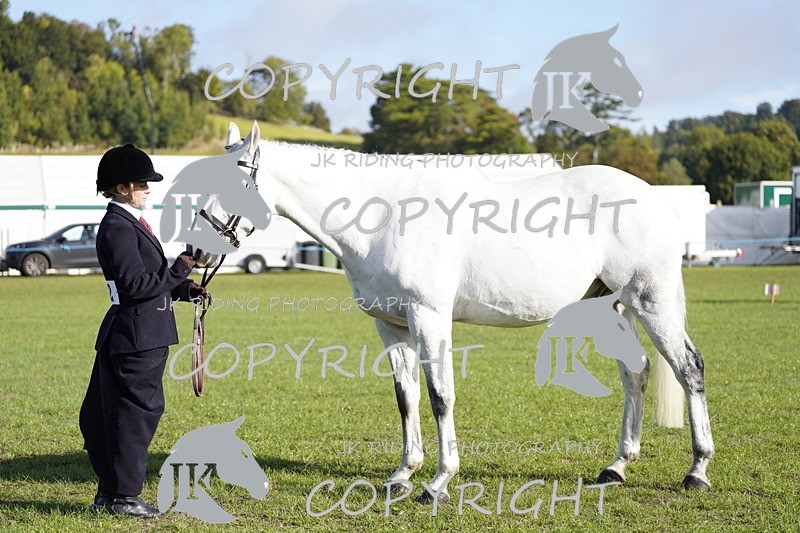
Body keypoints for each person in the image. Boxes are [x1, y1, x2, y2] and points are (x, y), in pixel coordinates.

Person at [79, 144, 206, 518]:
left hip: (134, 332)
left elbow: (148, 279)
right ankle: (124, 497)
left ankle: (110, 493)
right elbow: (135, 286)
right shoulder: (118, 227)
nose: (148, 189)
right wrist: (180, 268)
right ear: (122, 188)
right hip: (138, 336)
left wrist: (183, 289)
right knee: (135, 415)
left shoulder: (127, 223)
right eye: (142, 184)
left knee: (111, 413)